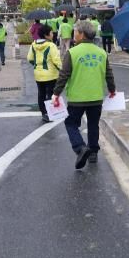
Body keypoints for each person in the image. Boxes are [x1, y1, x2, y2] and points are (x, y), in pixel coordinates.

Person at [52, 21, 116, 169]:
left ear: (82, 34)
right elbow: (109, 74)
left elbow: (64, 75)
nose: (74, 34)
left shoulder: (72, 52)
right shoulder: (102, 52)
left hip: (77, 98)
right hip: (96, 97)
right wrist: (112, 89)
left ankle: (80, 147)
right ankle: (93, 153)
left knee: (71, 123)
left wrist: (56, 93)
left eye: (75, 32)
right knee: (93, 125)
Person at [28, 24, 62, 123]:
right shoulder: (51, 45)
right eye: (51, 32)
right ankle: (50, 113)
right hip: (51, 75)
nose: (53, 34)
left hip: (38, 75)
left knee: (41, 94)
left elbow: (30, 58)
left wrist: (37, 65)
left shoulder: (33, 45)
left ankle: (44, 113)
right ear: (46, 35)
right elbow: (56, 61)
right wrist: (62, 70)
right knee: (50, 94)